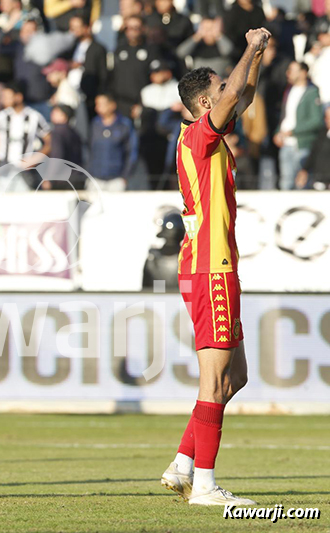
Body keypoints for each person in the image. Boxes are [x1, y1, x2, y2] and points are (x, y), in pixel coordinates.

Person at [160, 27, 271, 506]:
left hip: (213, 266)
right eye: (218, 87)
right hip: (211, 268)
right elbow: (232, 99)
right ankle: (204, 485)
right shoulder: (202, 136)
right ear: (206, 104)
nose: (230, 89)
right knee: (214, 380)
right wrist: (247, 46)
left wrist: (259, 51)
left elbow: (242, 95)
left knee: (236, 376)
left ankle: (183, 463)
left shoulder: (206, 131)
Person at [0, 81, 51, 191]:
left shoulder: (34, 116)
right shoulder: (0, 117)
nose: (3, 100)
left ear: (18, 97)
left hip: (26, 170)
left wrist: (35, 159)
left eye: (7, 96)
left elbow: (50, 143)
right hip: (4, 167)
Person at [273, 62, 324, 190]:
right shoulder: (289, 91)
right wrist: (278, 132)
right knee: (285, 182)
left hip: (302, 145)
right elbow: (285, 117)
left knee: (302, 184)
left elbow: (316, 121)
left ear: (303, 73)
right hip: (286, 144)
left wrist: (293, 131)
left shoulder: (312, 92)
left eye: (292, 70)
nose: (288, 73)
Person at [87, 93, 138, 191]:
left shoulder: (124, 125)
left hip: (117, 179)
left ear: (112, 105)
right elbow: (89, 149)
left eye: (102, 104)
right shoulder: (95, 124)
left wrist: (125, 176)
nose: (98, 108)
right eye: (97, 104)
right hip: (95, 179)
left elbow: (132, 152)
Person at [142, 211, 184, 290]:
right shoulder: (153, 259)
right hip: (174, 300)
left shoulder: (153, 258)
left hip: (161, 300)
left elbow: (146, 291)